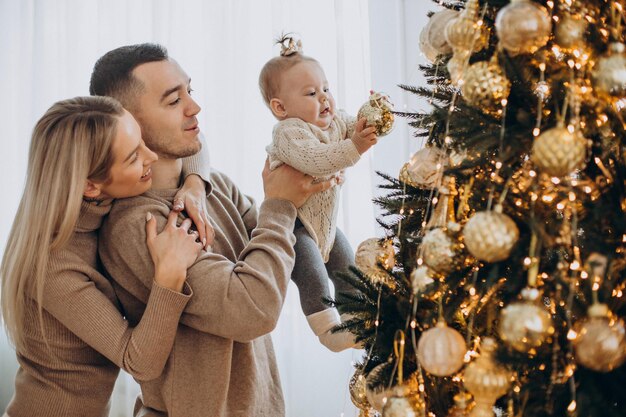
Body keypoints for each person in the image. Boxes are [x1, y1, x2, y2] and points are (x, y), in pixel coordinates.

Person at [91, 43, 336, 417]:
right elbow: (254, 308)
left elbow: (286, 253)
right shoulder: (141, 226)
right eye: (174, 101)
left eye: (191, 91)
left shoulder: (214, 185)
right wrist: (280, 204)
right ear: (127, 122)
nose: (194, 107)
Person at [0, 95, 214, 417]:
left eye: (142, 140)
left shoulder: (99, 195)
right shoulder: (53, 265)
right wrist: (169, 274)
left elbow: (196, 141)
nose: (152, 156)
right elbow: (139, 362)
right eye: (133, 157)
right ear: (90, 186)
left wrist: (195, 184)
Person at [259, 35, 378, 351]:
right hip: (297, 226)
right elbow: (317, 160)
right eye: (311, 93)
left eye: (326, 89)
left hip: (325, 224)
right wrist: (355, 147)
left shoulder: (333, 121)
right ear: (281, 107)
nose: (325, 99)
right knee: (312, 274)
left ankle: (357, 318)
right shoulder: (289, 132)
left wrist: (373, 119)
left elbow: (355, 127)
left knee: (347, 265)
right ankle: (328, 331)